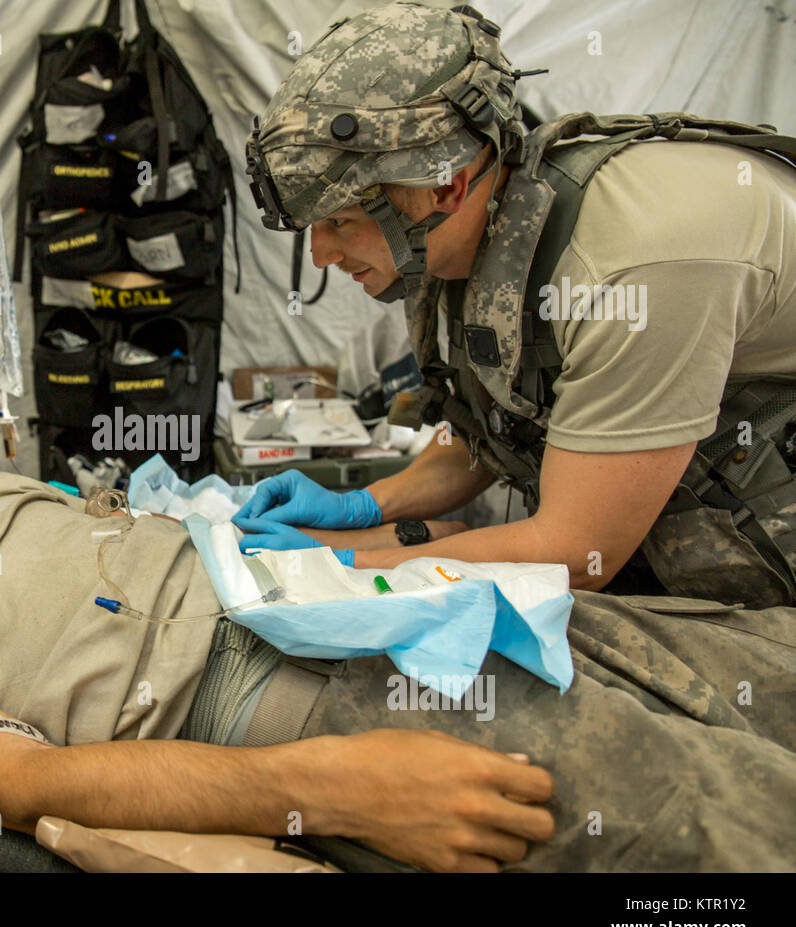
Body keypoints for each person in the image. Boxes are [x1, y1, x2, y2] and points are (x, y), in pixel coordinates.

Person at [0, 471, 796, 871]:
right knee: (715, 810)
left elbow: (159, 518)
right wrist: (327, 787)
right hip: (276, 690)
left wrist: (353, 529)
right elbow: (15, 783)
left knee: (754, 662)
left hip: (355, 600)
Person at [238, 2, 796, 608]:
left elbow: (579, 552)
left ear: (445, 186)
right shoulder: (479, 229)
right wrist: (369, 504)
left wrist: (349, 563)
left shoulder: (633, 268)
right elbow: (497, 426)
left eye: (341, 223)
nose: (320, 255)